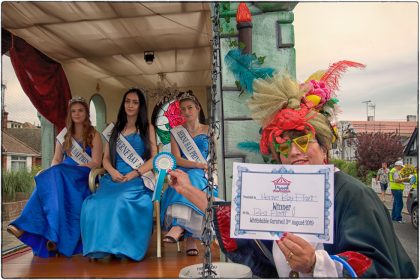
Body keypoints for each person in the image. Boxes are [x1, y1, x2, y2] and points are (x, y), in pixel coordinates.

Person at [166, 62, 417, 278]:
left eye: (303, 141)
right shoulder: (283, 190)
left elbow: (377, 266)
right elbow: (237, 219)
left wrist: (316, 263)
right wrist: (187, 189)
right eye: (285, 147)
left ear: (324, 146)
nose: (295, 152)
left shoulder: (354, 195)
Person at [7, 96, 102, 257]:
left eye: (80, 110)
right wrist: (53, 171)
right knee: (52, 175)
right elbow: (57, 159)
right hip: (63, 174)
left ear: (86, 113)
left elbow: (96, 162)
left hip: (82, 174)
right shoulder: (64, 135)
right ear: (69, 114)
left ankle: (25, 225)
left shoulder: (94, 134)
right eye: (73, 111)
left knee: (55, 174)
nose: (77, 114)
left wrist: (81, 166)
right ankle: (50, 237)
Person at [80, 88, 157, 262]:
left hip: (137, 178)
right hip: (114, 178)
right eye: (127, 101)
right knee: (93, 203)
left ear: (140, 106)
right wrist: (112, 171)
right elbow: (106, 158)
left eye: (135, 102)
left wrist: (135, 173)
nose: (130, 105)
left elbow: (154, 158)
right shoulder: (114, 129)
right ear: (123, 104)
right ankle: (103, 248)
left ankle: (121, 248)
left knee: (120, 200)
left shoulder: (147, 128)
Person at [160, 91, 216, 256]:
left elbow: (216, 155)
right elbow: (176, 159)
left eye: (190, 108)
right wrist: (197, 164)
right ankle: (185, 234)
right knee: (186, 179)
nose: (186, 112)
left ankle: (182, 231)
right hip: (185, 169)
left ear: (198, 108)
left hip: (205, 172)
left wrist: (209, 166)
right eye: (183, 109)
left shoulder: (209, 130)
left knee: (195, 180)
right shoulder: (176, 132)